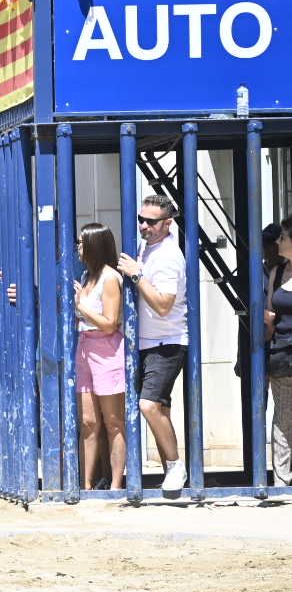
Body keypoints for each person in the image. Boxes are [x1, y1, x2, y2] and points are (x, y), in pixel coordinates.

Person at [116, 194, 189, 497]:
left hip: (166, 341)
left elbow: (163, 304)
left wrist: (137, 274)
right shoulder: (149, 247)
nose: (144, 226)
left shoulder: (169, 255)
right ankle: (169, 470)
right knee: (159, 409)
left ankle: (175, 466)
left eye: (151, 221)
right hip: (149, 342)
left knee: (148, 405)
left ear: (168, 223)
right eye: (141, 220)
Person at [73, 224, 127, 490]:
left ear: (95, 245)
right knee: (88, 421)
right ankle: (87, 483)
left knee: (114, 422)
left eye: (82, 242)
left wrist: (82, 306)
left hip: (106, 350)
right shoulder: (87, 276)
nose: (78, 247)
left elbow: (110, 322)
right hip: (85, 347)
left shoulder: (109, 278)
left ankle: (117, 484)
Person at [265, 217, 292, 485]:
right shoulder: (278, 271)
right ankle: (282, 481)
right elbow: (269, 314)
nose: (278, 242)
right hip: (282, 355)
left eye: (283, 238)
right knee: (283, 419)